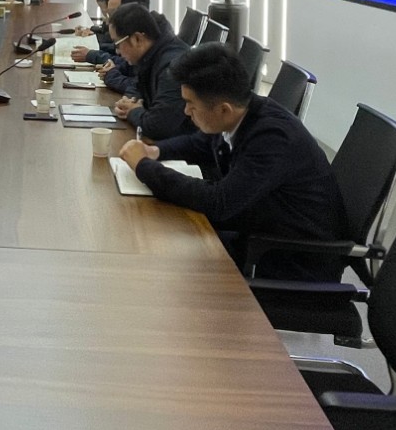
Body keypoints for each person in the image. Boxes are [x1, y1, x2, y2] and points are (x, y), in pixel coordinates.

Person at [118, 45, 349, 280]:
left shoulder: (272, 138)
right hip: (257, 233)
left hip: (290, 263)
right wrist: (155, 150)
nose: (186, 111)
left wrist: (144, 167)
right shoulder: (243, 112)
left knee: (162, 260)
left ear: (223, 109)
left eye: (191, 104)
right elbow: (201, 143)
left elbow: (219, 202)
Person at [105, 4, 188, 140]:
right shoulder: (150, 55)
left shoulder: (172, 66)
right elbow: (136, 86)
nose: (117, 51)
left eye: (117, 43)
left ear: (137, 39)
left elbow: (158, 126)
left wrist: (133, 111)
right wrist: (129, 102)